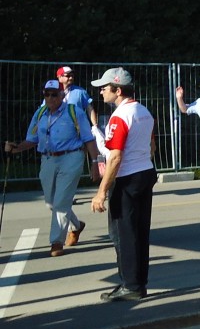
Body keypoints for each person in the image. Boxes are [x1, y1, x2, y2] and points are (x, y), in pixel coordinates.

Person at [4, 79, 101, 256]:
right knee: (51, 202)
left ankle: (56, 242)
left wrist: (95, 163)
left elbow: (88, 138)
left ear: (62, 95)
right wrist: (16, 148)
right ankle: (77, 225)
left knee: (61, 200)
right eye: (46, 94)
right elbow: (31, 140)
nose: (50, 98)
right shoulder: (40, 113)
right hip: (48, 159)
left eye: (54, 94)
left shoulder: (74, 112)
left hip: (71, 157)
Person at [90, 68, 156, 301]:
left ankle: (130, 284)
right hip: (145, 172)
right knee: (139, 231)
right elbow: (152, 146)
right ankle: (138, 283)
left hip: (127, 178)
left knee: (122, 234)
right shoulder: (143, 111)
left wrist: (101, 192)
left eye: (105, 88)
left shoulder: (120, 116)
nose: (101, 92)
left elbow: (115, 157)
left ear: (118, 90)